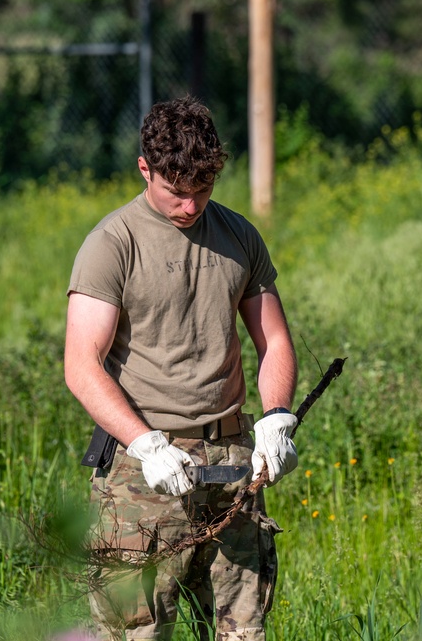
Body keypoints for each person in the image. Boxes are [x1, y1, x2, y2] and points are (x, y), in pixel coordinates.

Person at [64, 95, 299, 641]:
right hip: (141, 470)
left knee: (243, 629)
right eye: (176, 191)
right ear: (144, 168)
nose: (191, 207)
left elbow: (275, 340)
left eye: (203, 190)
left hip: (234, 460)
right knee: (138, 630)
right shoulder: (112, 244)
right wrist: (146, 444)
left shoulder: (239, 236)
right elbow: (81, 365)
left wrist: (277, 417)